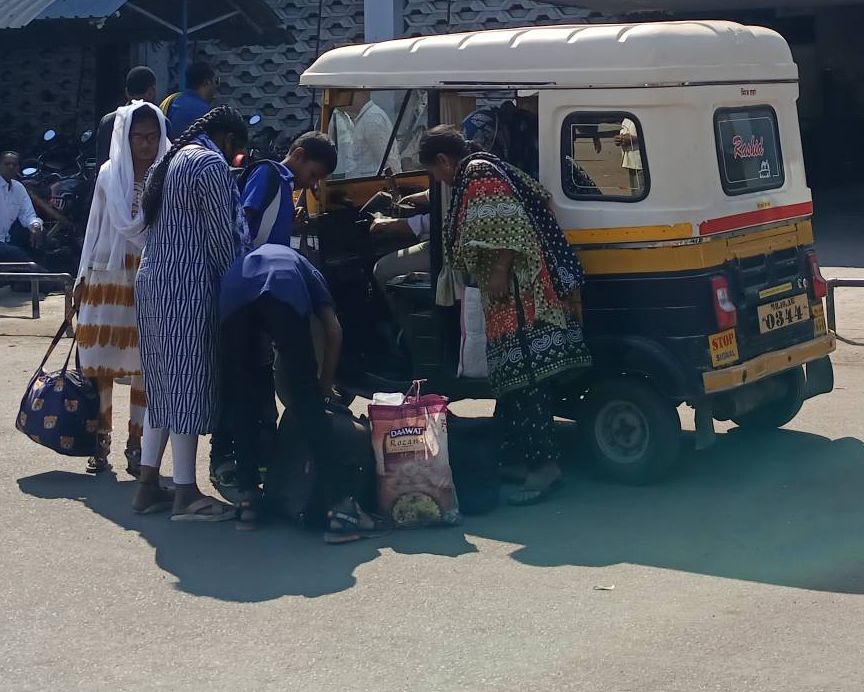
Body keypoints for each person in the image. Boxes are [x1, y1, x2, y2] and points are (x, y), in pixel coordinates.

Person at [421, 124, 590, 506]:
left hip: (521, 300)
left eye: (435, 171)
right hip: (514, 300)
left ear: (444, 160)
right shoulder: (486, 167)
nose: (439, 179)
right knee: (513, 384)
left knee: (527, 383)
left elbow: (511, 223)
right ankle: (518, 458)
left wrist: (499, 268)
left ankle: (545, 467)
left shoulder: (478, 172)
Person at [215, 242, 381, 540]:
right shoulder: (307, 270)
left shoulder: (257, 260)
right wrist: (324, 385)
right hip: (281, 289)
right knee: (307, 399)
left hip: (233, 293)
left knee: (242, 398)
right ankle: (342, 507)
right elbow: (333, 329)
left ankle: (248, 499)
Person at [131, 106, 248, 521]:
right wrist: (239, 286)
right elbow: (221, 238)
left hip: (153, 281)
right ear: (229, 140)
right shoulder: (209, 164)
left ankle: (147, 487)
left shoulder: (171, 158)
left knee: (162, 388)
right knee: (185, 386)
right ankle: (185, 494)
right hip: (186, 286)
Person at [70, 102, 165, 477]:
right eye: (138, 137)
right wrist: (81, 278)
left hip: (150, 274)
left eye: (152, 137)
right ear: (125, 138)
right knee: (101, 365)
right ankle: (100, 441)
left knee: (146, 366)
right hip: (106, 274)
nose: (145, 144)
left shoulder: (166, 174)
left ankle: (136, 444)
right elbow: (94, 227)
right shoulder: (109, 174)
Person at [240, 131, 337, 249]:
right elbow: (243, 221)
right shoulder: (268, 174)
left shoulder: (286, 188)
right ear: (298, 155)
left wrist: (291, 224)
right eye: (313, 175)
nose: (312, 184)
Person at [94, 66, 157, 171]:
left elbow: (101, 166)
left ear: (126, 92)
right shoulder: (160, 122)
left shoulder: (108, 122)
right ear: (151, 91)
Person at [161, 62, 219, 139]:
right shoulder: (206, 114)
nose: (216, 86)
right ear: (207, 83)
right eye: (216, 81)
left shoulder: (170, 102)